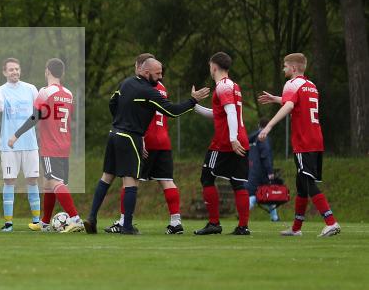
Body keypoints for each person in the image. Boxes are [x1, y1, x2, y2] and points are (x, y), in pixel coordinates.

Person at [85, 57, 208, 235]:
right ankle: (127, 226)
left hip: (114, 134)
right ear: (146, 72)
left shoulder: (125, 83)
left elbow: (112, 102)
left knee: (107, 176)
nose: (160, 77)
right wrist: (193, 101)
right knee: (131, 180)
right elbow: (171, 111)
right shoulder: (149, 92)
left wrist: (120, 120)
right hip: (130, 137)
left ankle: (92, 218)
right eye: (157, 74)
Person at [258, 53, 341, 237]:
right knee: (301, 183)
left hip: (304, 141)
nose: (284, 69)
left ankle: (330, 221)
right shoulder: (310, 86)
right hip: (316, 140)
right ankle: (296, 228)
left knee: (307, 182)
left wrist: (268, 126)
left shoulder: (291, 84)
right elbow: (296, 103)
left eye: (285, 66)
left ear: (293, 68)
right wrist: (277, 99)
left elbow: (289, 107)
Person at [106, 53, 186, 235]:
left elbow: (138, 115)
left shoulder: (141, 87)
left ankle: (123, 221)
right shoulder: (161, 87)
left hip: (145, 139)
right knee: (167, 181)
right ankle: (176, 222)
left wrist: (139, 139)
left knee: (129, 180)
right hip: (163, 139)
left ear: (142, 67)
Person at [8, 58, 83, 233]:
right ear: (62, 73)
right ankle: (45, 222)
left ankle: (75, 218)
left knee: (54, 181)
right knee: (48, 182)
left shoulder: (45, 92)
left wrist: (16, 135)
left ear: (47, 71)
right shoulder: (69, 94)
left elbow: (35, 117)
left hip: (51, 144)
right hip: (65, 143)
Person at [192, 52, 252, 235]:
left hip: (225, 142)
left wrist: (232, 140)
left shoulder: (222, 86)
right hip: (241, 139)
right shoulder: (233, 85)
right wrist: (194, 105)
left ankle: (214, 223)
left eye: (210, 66)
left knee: (207, 178)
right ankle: (243, 227)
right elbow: (219, 114)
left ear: (214, 67)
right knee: (238, 183)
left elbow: (231, 112)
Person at [0, 58, 41, 232]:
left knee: (32, 180)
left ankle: (36, 221)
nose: (15, 72)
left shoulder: (31, 89)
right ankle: (9, 223)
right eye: (11, 70)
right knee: (9, 180)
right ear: (5, 72)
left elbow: (37, 114)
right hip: (9, 145)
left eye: (17, 69)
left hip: (30, 144)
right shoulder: (1, 90)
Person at [247, 117, 278, 222]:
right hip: (262, 171)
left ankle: (275, 217)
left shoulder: (252, 137)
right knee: (267, 192)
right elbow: (265, 155)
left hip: (252, 170)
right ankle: (244, 213)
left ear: (258, 125)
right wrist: (270, 171)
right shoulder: (263, 137)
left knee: (255, 193)